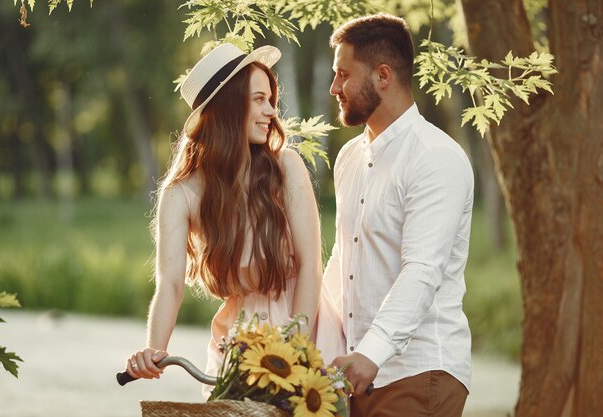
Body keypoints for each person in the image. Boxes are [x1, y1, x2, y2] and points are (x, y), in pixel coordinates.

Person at [124, 43, 344, 395]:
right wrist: (154, 350)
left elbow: (309, 266)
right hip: (238, 337)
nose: (271, 111)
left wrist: (295, 351)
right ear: (228, 106)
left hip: (303, 321)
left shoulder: (286, 167)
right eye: (259, 99)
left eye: (270, 99)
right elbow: (170, 285)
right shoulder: (180, 194)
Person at [324, 14, 473, 417]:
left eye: (343, 74)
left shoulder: (434, 157)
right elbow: (342, 263)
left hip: (419, 373)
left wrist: (371, 353)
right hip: (358, 376)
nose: (334, 88)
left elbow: (423, 270)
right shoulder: (350, 158)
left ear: (383, 76)